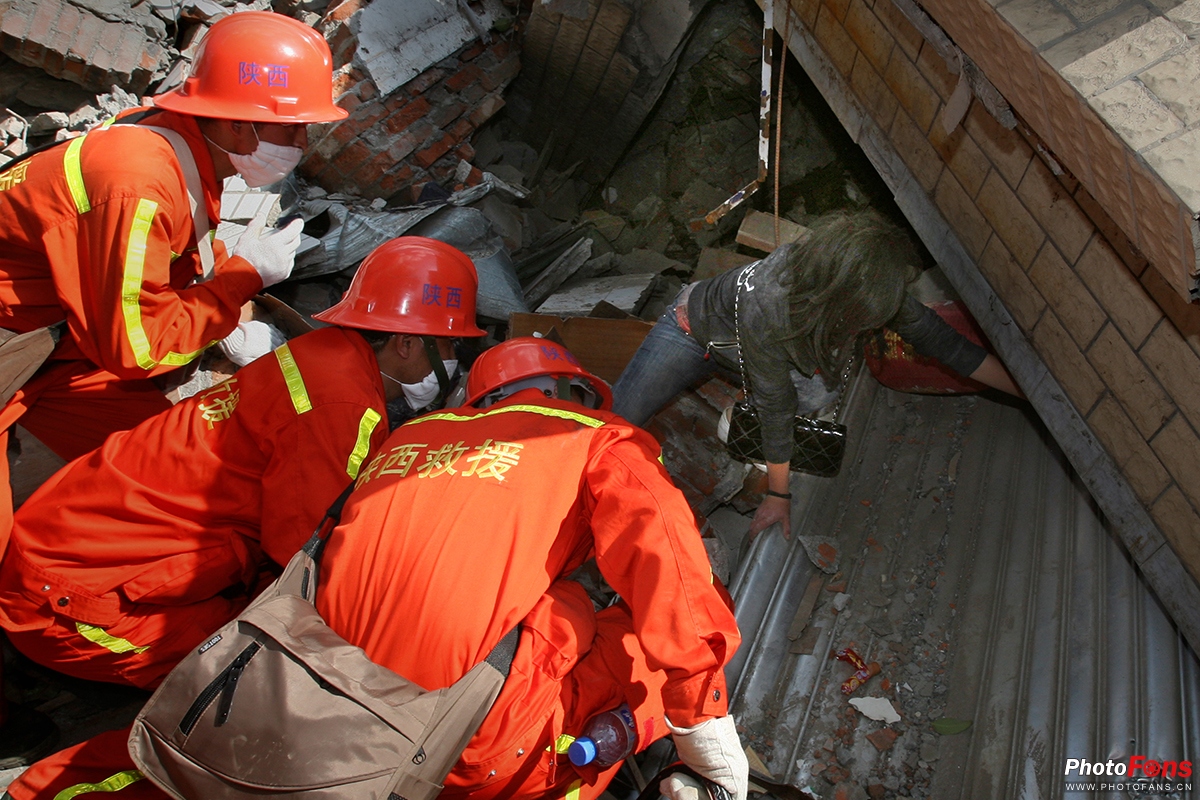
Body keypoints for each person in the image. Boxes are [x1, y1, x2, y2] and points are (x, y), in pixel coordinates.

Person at [0, 9, 347, 766]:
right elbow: (133, 346)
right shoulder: (141, 177)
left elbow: (149, 287)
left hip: (48, 336)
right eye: (295, 130)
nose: (305, 146)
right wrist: (238, 284)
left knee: (150, 459)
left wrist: (221, 292)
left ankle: (93, 568)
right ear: (240, 125)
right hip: (23, 341)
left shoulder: (180, 149)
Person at [0, 236, 485, 695]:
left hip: (69, 538)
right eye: (448, 345)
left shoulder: (321, 354)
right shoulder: (343, 406)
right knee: (239, 673)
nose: (451, 360)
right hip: (72, 599)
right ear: (405, 343)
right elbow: (303, 554)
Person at [310, 337, 747, 800]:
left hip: (326, 700)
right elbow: (663, 553)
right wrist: (703, 716)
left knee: (561, 603)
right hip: (466, 747)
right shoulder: (596, 437)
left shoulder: (409, 437)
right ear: (570, 392)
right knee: (682, 615)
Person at [612, 209, 1021, 541]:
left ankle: (755, 441)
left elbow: (946, 344)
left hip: (764, 349)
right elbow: (775, 405)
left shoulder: (866, 282)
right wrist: (778, 495)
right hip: (693, 331)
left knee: (816, 395)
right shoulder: (768, 302)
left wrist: (1030, 395)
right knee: (615, 422)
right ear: (838, 299)